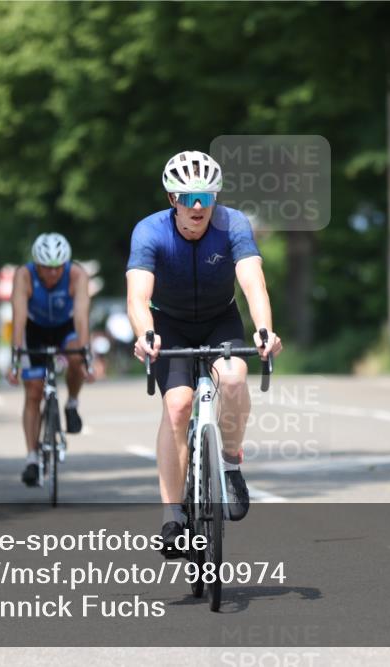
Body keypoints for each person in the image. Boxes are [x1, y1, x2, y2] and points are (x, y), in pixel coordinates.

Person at [126, 150, 282, 558]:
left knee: (232, 378)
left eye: (207, 197)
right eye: (189, 198)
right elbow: (138, 296)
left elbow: (253, 284)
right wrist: (145, 334)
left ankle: (230, 464)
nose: (198, 207)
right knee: (178, 406)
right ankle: (172, 516)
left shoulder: (233, 225)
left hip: (220, 319)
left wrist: (264, 329)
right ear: (171, 199)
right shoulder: (149, 232)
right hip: (169, 325)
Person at [6, 232, 92, 487]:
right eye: (47, 268)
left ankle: (72, 403)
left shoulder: (77, 275)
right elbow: (19, 318)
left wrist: (86, 354)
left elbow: (81, 317)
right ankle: (32, 458)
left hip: (66, 327)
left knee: (76, 355)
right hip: (36, 330)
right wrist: (15, 358)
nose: (53, 274)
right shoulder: (24, 275)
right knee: (33, 391)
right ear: (36, 265)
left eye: (58, 268)